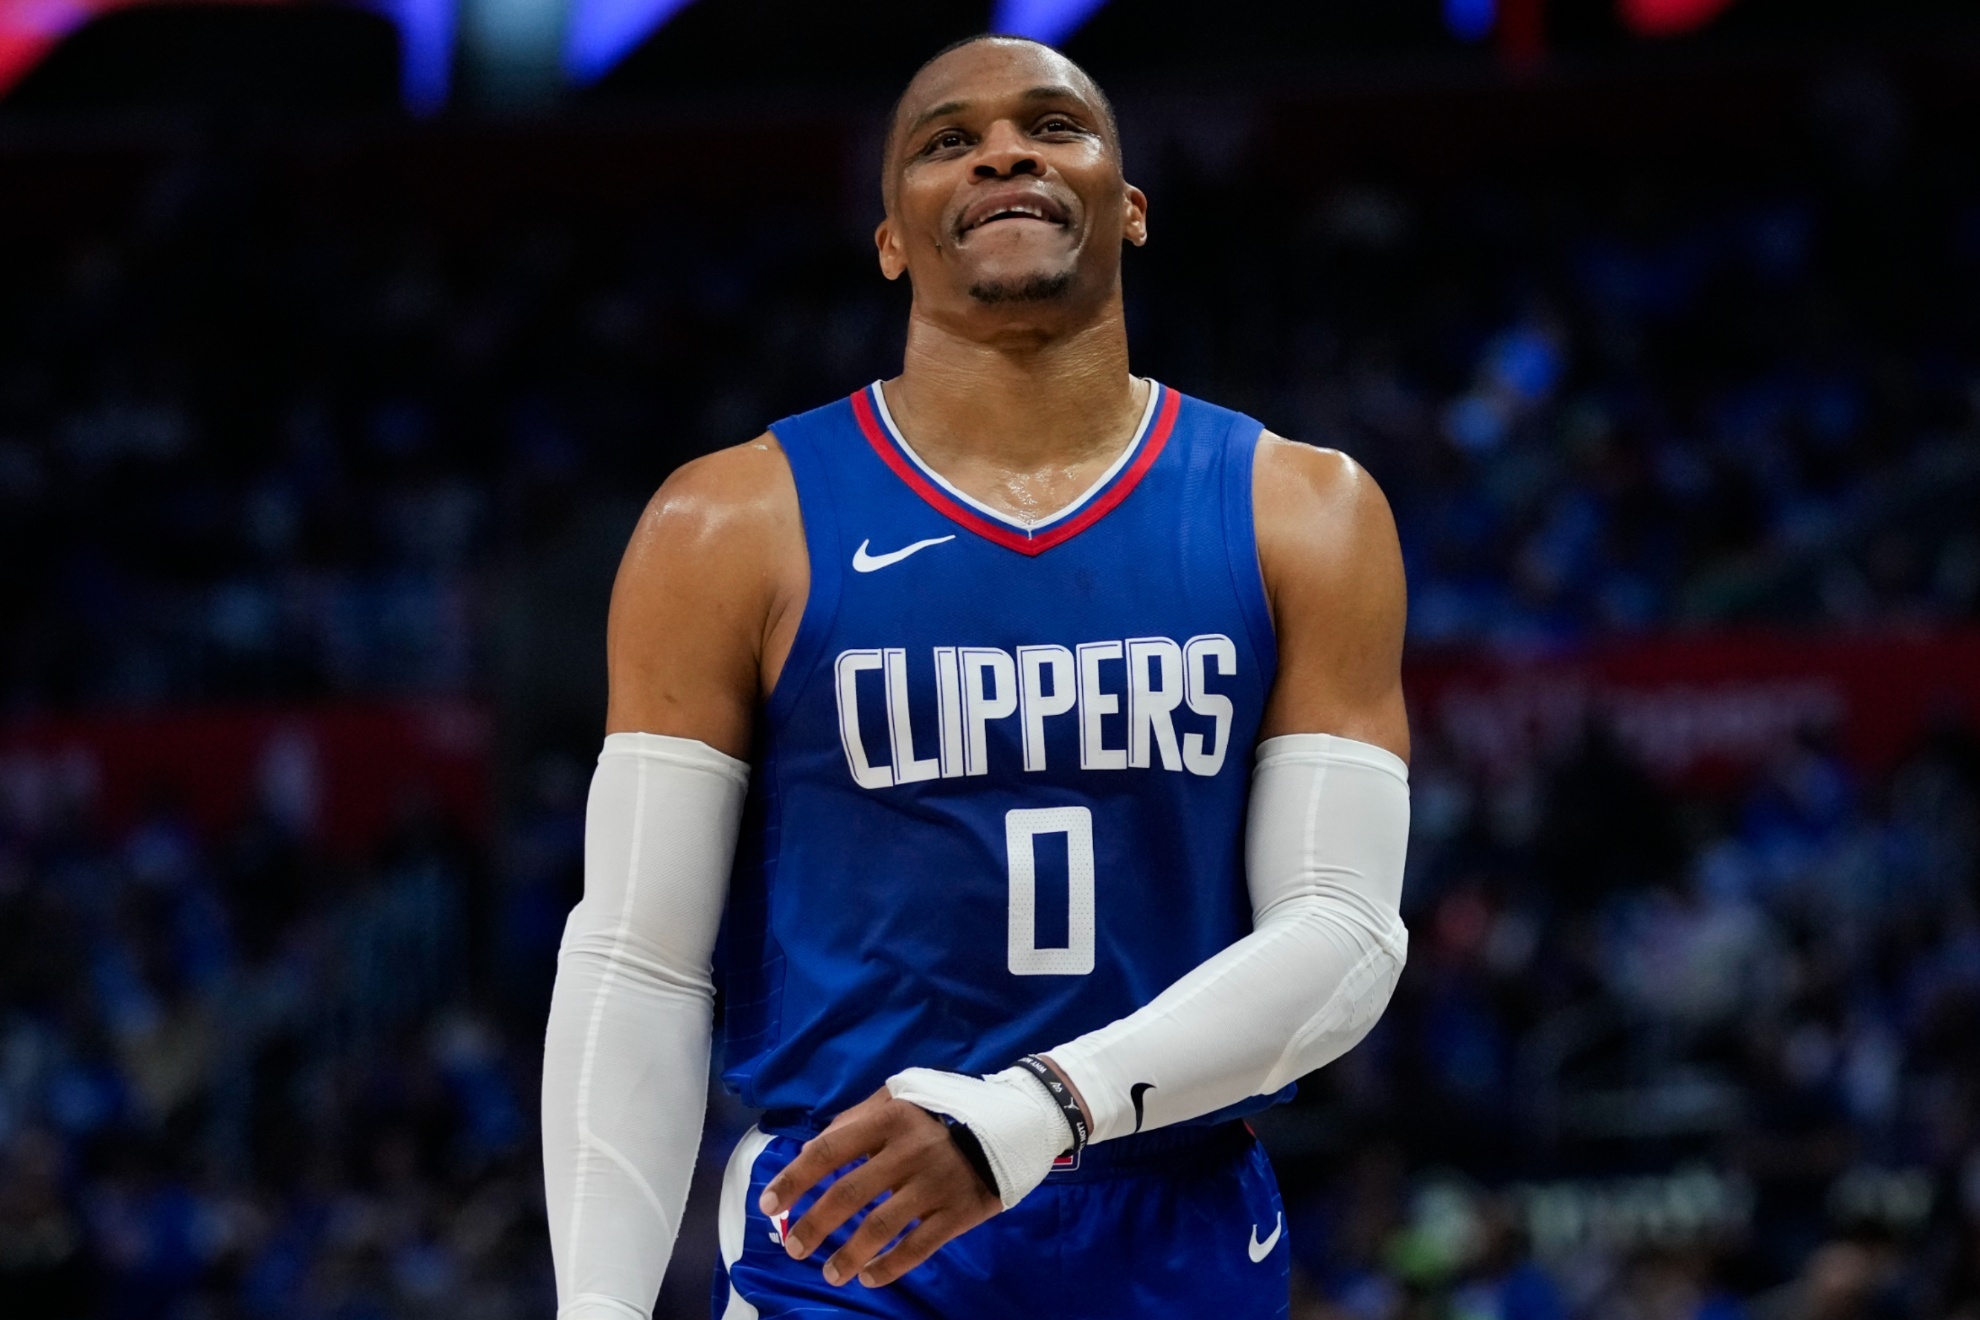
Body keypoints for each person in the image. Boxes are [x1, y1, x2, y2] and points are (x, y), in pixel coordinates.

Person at [541, 32, 1412, 1320]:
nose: (1004, 149)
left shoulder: (1306, 509)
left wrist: (1035, 1113)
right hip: (848, 1233)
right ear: (891, 233)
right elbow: (637, 962)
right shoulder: (728, 523)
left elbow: (1344, 931)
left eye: (1053, 127)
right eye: (949, 141)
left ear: (1129, 205)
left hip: (1169, 1210)